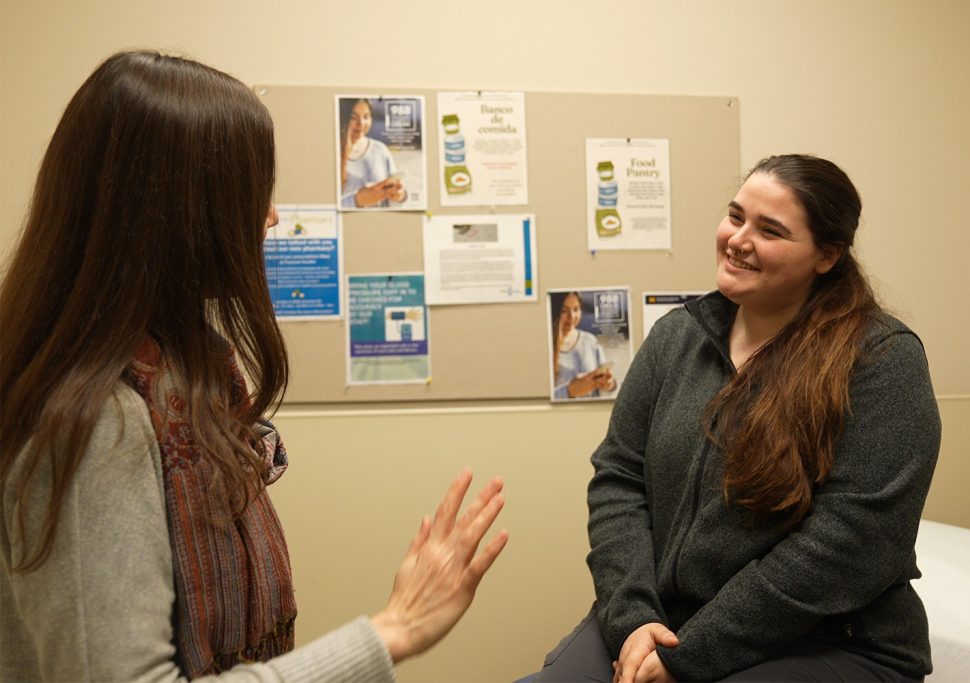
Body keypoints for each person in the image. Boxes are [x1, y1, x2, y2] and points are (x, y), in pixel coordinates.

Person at [0, 50, 507, 682]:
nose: (269, 216)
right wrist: (392, 631)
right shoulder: (97, 420)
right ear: (182, 211)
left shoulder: (182, 376)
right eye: (251, 190)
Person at [534, 155, 941, 682]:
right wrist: (632, 618)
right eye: (735, 216)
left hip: (829, 642)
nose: (738, 239)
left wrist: (693, 656)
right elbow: (619, 480)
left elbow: (851, 543)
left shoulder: (881, 359)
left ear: (827, 255)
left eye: (769, 230)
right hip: (663, 621)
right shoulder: (677, 337)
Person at [338, 97, 407, 209]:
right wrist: (357, 200)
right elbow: (323, 208)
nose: (361, 123)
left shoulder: (380, 150)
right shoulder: (331, 152)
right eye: (353, 117)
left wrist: (399, 196)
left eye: (366, 117)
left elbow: (393, 205)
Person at [551, 291, 617, 400]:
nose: (571, 316)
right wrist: (569, 391)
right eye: (564, 310)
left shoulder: (589, 340)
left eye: (576, 309)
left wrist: (609, 384)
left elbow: (609, 388)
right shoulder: (546, 345)